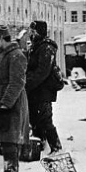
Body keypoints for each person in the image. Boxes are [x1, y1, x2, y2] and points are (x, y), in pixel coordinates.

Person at [0, 25, 30, 172]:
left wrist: (6, 104)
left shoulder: (15, 55)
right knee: (5, 136)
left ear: (1, 39)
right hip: (4, 99)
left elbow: (17, 82)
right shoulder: (5, 54)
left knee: (10, 137)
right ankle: (9, 170)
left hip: (12, 102)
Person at [25, 20, 62, 155]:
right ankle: (40, 145)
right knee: (35, 119)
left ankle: (56, 147)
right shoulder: (36, 46)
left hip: (44, 90)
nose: (31, 34)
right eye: (31, 31)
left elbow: (42, 71)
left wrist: (27, 83)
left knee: (45, 119)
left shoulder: (46, 47)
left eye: (33, 31)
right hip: (35, 90)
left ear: (39, 32)